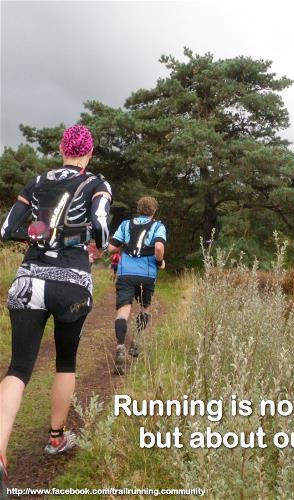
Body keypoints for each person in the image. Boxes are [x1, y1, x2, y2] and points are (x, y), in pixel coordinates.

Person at [0, 125, 112, 493]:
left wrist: (37, 235)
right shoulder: (96, 182)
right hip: (72, 285)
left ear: (62, 149)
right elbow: (101, 227)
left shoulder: (36, 182)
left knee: (19, 368)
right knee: (65, 361)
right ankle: (55, 437)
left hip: (28, 281)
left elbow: (7, 228)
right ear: (88, 154)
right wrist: (93, 244)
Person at [107, 197, 167, 375]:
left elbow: (111, 248)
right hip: (147, 274)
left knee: (123, 311)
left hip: (125, 273)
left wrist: (123, 248)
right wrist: (160, 262)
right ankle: (136, 342)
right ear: (154, 211)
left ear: (138, 209)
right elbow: (158, 248)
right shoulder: (158, 226)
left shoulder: (125, 224)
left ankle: (120, 347)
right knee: (144, 308)